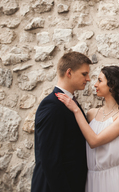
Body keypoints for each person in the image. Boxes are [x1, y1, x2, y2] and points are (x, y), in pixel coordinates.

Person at [56, 66, 119, 192]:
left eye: (99, 80)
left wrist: (76, 110)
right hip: (92, 179)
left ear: (113, 85)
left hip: (113, 180)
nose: (95, 85)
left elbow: (94, 141)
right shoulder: (91, 114)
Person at [32, 51, 92, 192]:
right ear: (69, 73)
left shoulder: (70, 103)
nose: (88, 79)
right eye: (84, 74)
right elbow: (50, 159)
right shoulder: (52, 105)